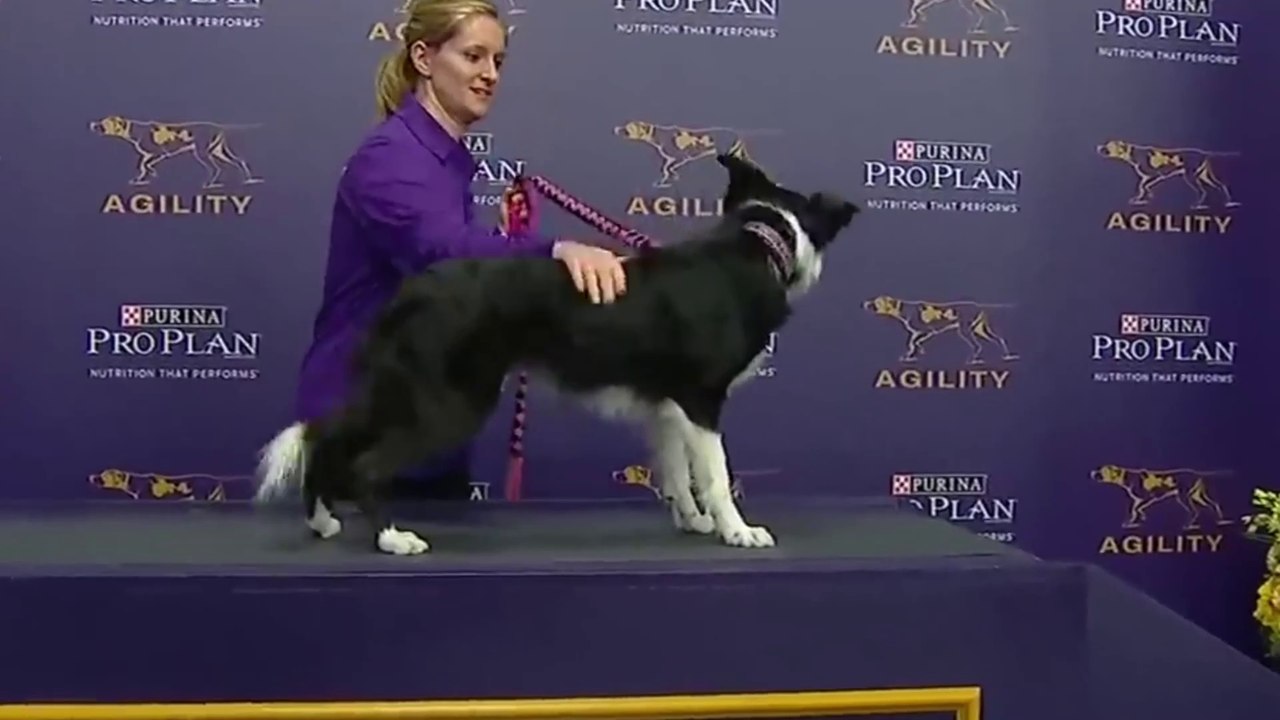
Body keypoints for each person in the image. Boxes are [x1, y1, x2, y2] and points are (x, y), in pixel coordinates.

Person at [293, 0, 628, 500]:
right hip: (364, 433)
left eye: (497, 61)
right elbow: (443, 254)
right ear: (425, 59)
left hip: (426, 435)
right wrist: (556, 253)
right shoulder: (390, 157)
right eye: (473, 56)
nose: (489, 74)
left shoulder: (448, 162)